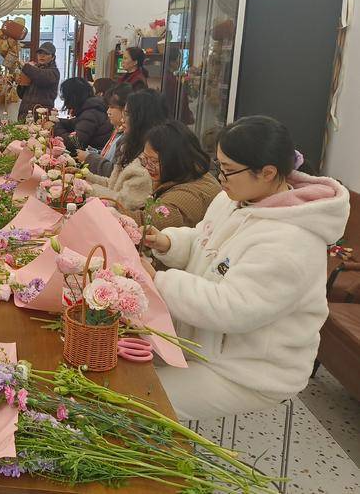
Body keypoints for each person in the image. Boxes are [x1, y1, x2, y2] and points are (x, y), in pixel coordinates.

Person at [142, 116, 350, 421]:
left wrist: (159, 281)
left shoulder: (291, 241)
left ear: (267, 173)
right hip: (201, 341)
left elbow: (232, 307)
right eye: (219, 165)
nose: (220, 177)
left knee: (139, 398)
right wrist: (168, 242)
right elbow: (203, 240)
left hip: (248, 370)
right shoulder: (234, 200)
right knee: (120, 362)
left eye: (227, 170)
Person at [120, 120, 221, 230]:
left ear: (176, 160)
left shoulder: (188, 196)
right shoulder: (190, 173)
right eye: (145, 158)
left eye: (154, 161)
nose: (148, 166)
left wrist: (113, 214)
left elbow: (149, 221)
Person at [85, 89, 167, 210]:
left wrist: (87, 188)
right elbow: (114, 185)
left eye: (127, 114)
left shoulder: (149, 157)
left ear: (141, 119)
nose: (123, 120)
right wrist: (85, 177)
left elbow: (124, 203)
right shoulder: (129, 145)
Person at [79, 83, 132, 177]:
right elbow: (107, 156)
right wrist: (93, 153)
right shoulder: (118, 131)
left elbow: (113, 171)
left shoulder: (127, 138)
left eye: (112, 107)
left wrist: (89, 158)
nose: (108, 111)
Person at [54, 77, 114, 152]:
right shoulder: (91, 107)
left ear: (72, 97)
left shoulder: (91, 113)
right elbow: (74, 123)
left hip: (92, 154)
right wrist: (56, 121)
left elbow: (76, 144)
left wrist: (55, 128)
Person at [17, 41, 60, 120]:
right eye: (40, 53)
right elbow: (21, 95)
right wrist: (21, 85)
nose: (42, 56)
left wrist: (25, 66)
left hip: (41, 117)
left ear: (53, 57)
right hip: (25, 115)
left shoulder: (54, 72)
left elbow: (41, 77)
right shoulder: (33, 70)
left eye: (46, 54)